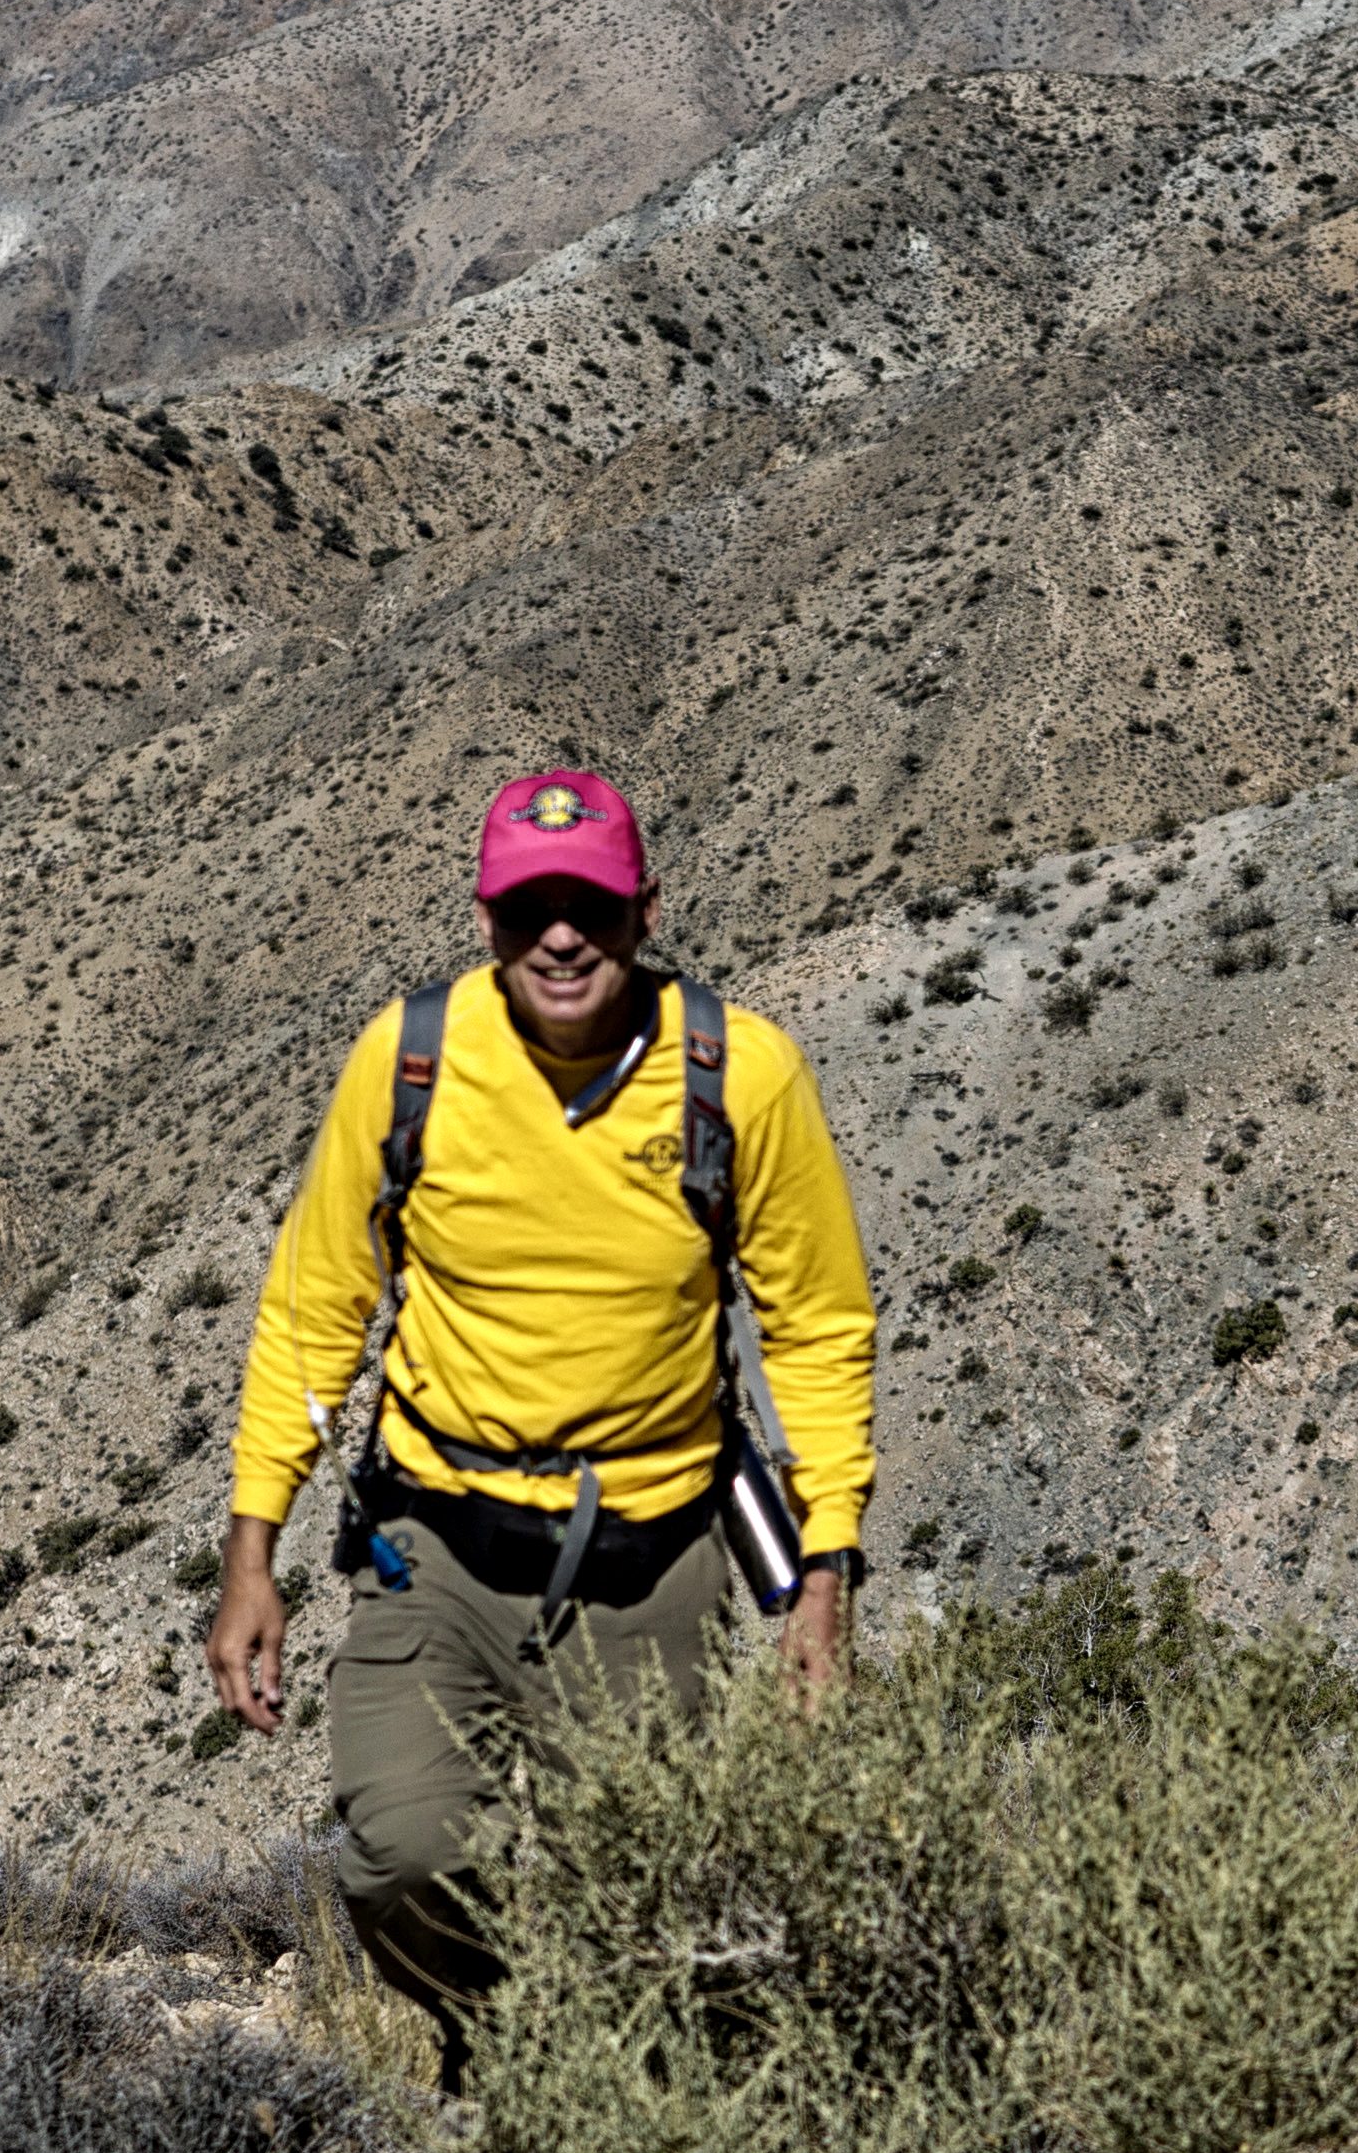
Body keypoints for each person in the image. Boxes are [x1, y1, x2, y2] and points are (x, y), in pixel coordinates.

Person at [208, 766, 878, 2047]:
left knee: (655, 1903)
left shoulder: (740, 1078)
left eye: (590, 905)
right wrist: (254, 1548)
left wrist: (824, 1579)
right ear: (485, 920)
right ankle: (514, 2052)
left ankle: (605, 2094)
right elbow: (311, 1313)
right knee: (402, 1853)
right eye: (529, 910)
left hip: (651, 1553)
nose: (560, 937)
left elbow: (821, 1330)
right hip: (438, 1547)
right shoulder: (411, 1064)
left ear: (644, 909)